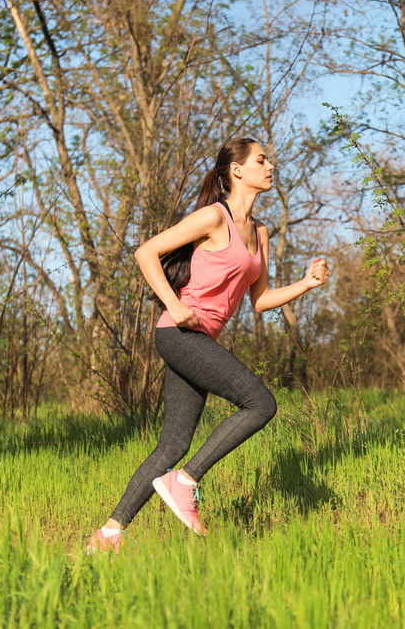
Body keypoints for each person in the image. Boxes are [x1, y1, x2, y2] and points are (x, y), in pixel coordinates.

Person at [86, 137, 330, 554]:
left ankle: (107, 535)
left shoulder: (260, 231)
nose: (270, 165)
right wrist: (174, 304)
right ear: (237, 170)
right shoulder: (214, 218)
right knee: (260, 403)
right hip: (179, 334)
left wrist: (307, 284)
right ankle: (186, 481)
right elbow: (146, 253)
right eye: (261, 159)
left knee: (172, 445)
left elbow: (260, 300)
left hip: (199, 340)